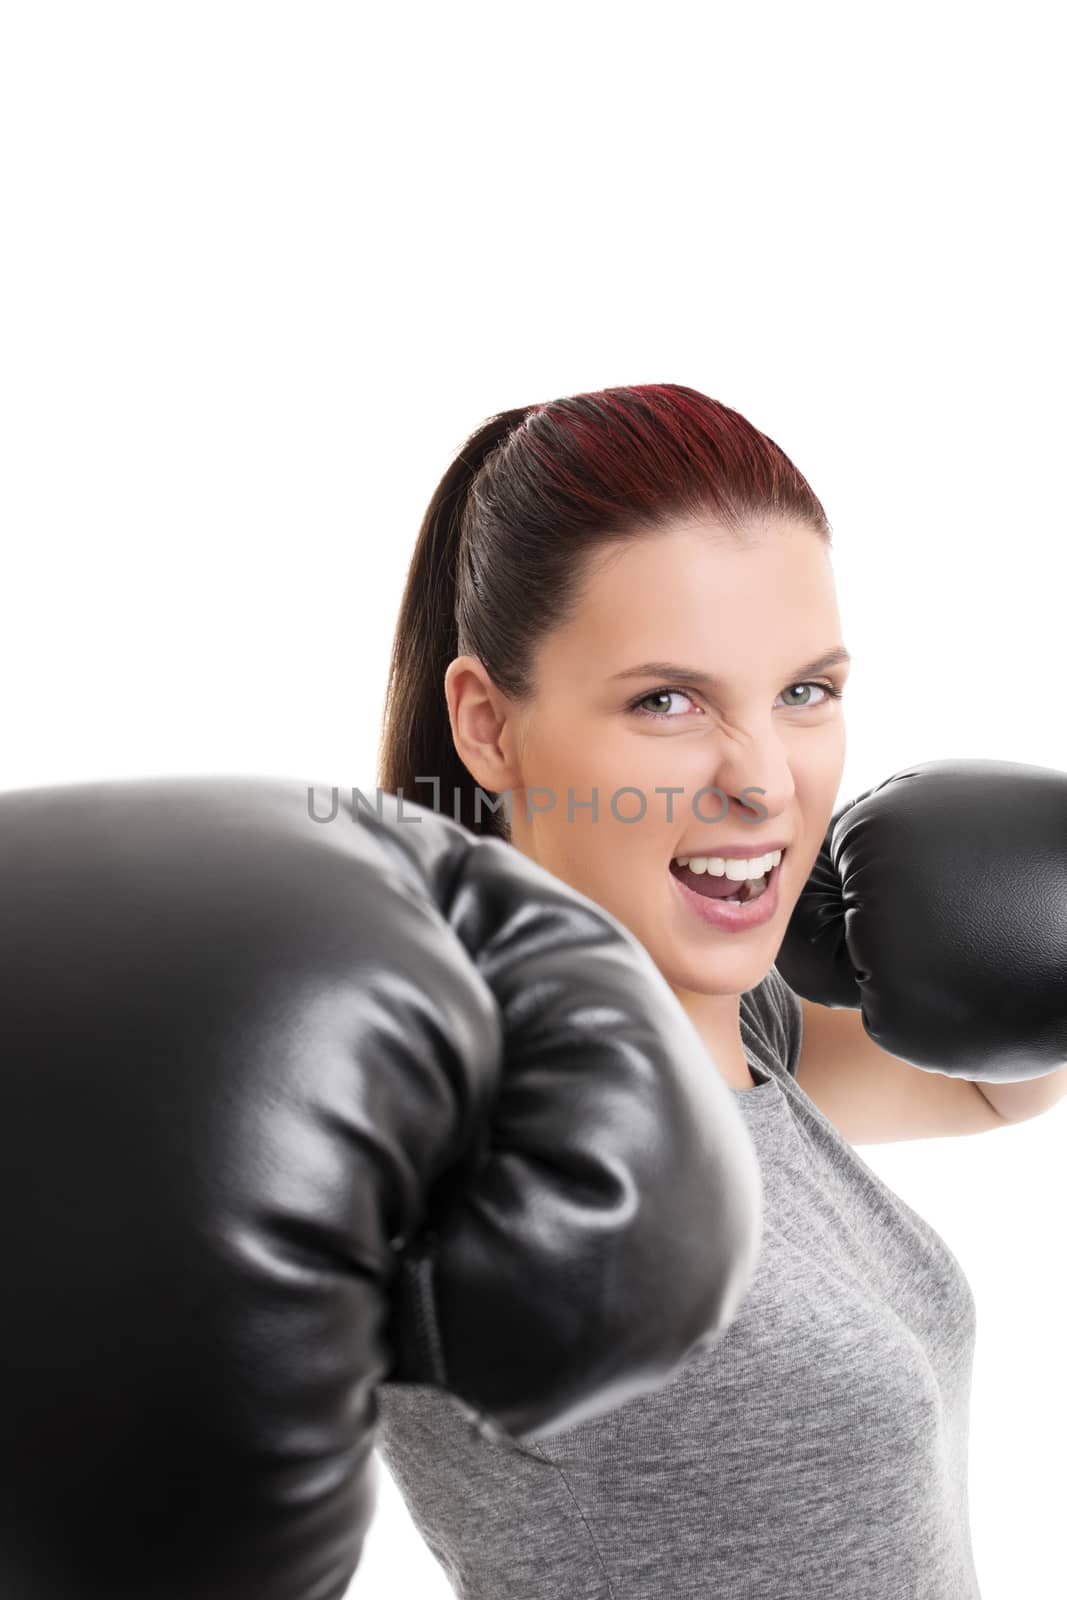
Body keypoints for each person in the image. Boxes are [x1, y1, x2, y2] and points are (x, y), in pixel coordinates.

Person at [372, 382, 996, 1598]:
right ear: (486, 726)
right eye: (667, 700)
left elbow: (989, 1077)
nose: (764, 780)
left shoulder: (729, 1023)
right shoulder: (465, 1118)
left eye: (804, 691)